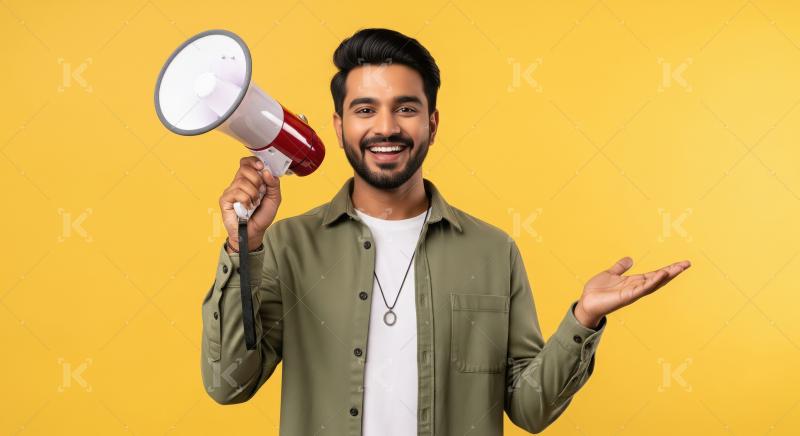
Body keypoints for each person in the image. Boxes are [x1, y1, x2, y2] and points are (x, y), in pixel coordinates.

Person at [200, 28, 691, 435]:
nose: (386, 127)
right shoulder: (285, 247)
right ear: (339, 124)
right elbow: (228, 385)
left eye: (406, 109)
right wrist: (245, 245)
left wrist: (582, 320)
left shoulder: (492, 252)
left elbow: (530, 409)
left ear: (433, 123)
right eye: (365, 109)